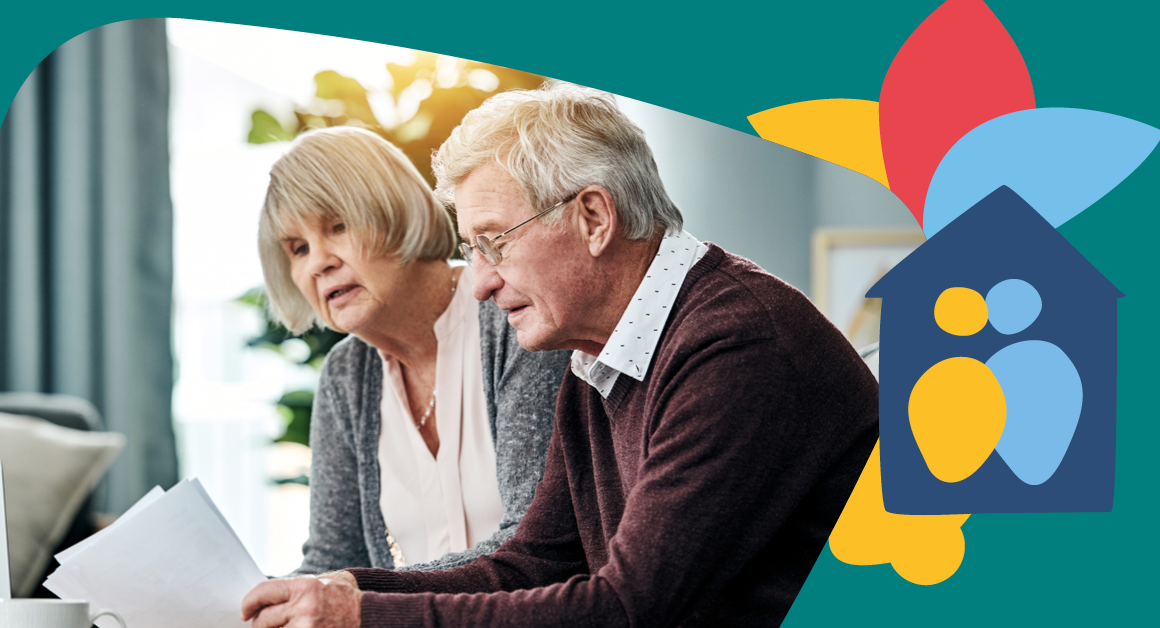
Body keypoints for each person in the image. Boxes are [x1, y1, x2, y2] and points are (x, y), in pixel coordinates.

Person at [244, 84, 879, 628]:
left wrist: (365, 616)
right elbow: (534, 561)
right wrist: (344, 593)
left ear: (595, 217)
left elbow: (629, 608)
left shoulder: (735, 345)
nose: (481, 280)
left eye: (495, 243)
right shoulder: (602, 353)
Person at [256, 126, 569, 575]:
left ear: (396, 212)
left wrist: (361, 598)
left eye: (338, 226)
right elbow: (333, 562)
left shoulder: (513, 317)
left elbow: (533, 546)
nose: (318, 261)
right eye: (298, 248)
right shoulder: (347, 375)